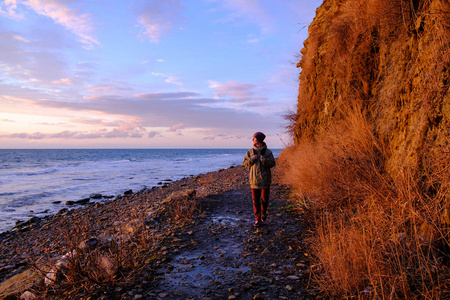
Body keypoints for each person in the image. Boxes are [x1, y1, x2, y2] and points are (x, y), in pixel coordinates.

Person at [243, 132, 276, 227]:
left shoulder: (268, 152)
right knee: (255, 201)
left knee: (264, 199)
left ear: (259, 140)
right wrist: (252, 158)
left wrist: (264, 160)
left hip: (265, 180)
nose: (252, 140)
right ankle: (257, 219)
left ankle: (263, 213)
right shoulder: (250, 152)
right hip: (253, 181)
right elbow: (245, 163)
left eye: (254, 138)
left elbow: (272, 164)